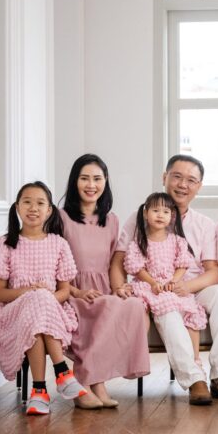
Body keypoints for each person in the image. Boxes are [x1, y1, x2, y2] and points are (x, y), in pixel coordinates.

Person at [111, 155, 218, 405]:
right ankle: (195, 380)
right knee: (168, 308)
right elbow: (119, 260)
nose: (183, 184)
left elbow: (213, 272)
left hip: (193, 287)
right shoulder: (140, 218)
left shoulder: (204, 224)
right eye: (177, 177)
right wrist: (120, 287)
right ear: (165, 177)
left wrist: (186, 286)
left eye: (191, 180)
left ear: (199, 186)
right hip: (158, 290)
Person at [0, 181, 100, 415]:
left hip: (52, 311)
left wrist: (44, 298)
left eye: (40, 203)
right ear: (17, 207)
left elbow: (64, 291)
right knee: (36, 303)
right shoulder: (5, 244)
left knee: (39, 309)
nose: (33, 208)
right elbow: (0, 294)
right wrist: (30, 292)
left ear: (49, 210)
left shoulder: (59, 244)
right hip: (14, 314)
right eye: (27, 202)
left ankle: (39, 391)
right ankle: (63, 374)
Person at [60, 154, 150, 409]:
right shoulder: (60, 217)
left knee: (134, 305)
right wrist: (76, 292)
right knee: (107, 307)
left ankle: (95, 380)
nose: (91, 185)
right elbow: (53, 263)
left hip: (103, 291)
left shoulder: (111, 220)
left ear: (105, 181)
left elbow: (113, 263)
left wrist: (119, 288)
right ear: (75, 181)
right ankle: (87, 381)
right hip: (73, 292)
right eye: (84, 178)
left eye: (97, 179)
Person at [124, 193, 209, 398]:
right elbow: (136, 268)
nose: (160, 215)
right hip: (150, 286)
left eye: (165, 211)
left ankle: (195, 364)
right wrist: (153, 283)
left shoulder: (177, 241)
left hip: (171, 285)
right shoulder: (139, 241)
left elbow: (182, 264)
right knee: (166, 305)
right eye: (155, 210)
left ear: (172, 216)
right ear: (145, 213)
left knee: (190, 312)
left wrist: (174, 280)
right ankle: (194, 378)